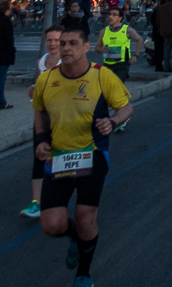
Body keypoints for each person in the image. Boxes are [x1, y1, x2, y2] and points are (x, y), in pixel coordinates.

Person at [33, 26, 132, 287]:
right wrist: (41, 140)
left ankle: (84, 273)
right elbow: (39, 112)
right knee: (51, 225)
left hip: (93, 154)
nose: (66, 48)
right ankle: (76, 238)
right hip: (59, 157)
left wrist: (113, 121)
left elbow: (126, 107)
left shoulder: (102, 76)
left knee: (85, 217)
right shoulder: (46, 79)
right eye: (62, 43)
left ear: (86, 47)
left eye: (73, 43)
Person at [21, 26, 63, 218]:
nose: (53, 43)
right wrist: (33, 89)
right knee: (38, 158)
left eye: (57, 40)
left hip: (63, 119)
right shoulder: (42, 61)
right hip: (42, 117)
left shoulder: (68, 62)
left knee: (60, 160)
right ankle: (36, 203)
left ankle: (58, 199)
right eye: (50, 40)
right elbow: (38, 84)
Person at [93, 7, 143, 131]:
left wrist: (135, 55)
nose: (111, 17)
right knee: (108, 92)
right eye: (110, 14)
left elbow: (140, 40)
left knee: (114, 89)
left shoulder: (127, 30)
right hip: (108, 65)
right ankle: (121, 115)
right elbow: (96, 48)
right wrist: (102, 49)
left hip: (122, 65)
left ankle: (120, 119)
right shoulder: (104, 32)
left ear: (120, 18)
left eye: (115, 14)